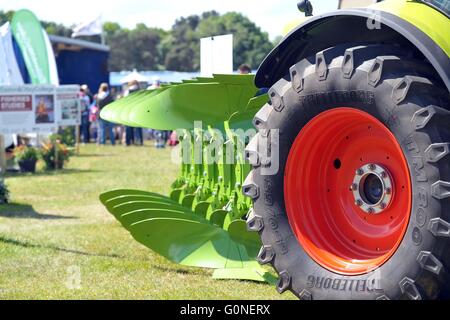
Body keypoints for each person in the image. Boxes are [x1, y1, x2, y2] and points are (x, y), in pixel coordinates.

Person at [124, 80, 143, 146]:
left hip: (129, 111)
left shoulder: (127, 91)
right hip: (138, 111)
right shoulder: (140, 91)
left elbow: (125, 101)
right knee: (138, 127)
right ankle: (140, 141)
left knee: (129, 127)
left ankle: (128, 142)